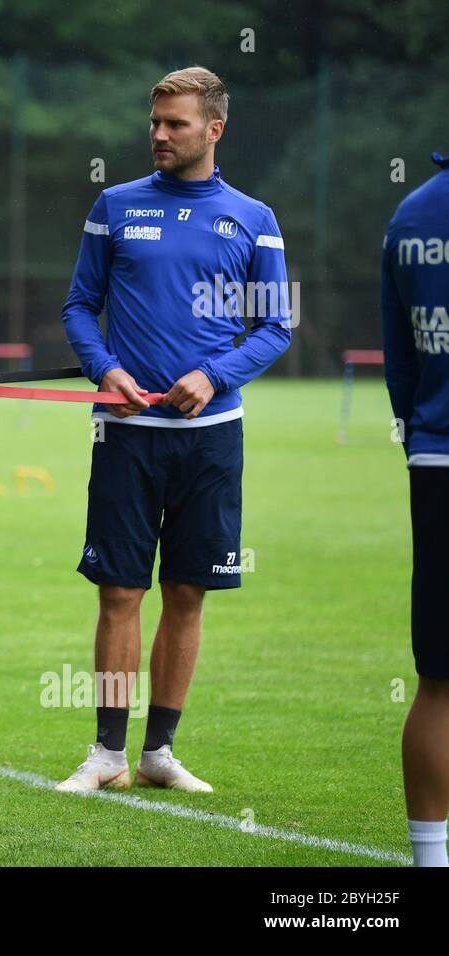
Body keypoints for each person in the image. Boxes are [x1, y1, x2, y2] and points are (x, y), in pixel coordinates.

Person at [57, 66, 291, 792]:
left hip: (211, 437)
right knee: (120, 592)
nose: (158, 134)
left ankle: (158, 753)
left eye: (175, 124)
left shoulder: (255, 218)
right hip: (126, 433)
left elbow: (275, 327)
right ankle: (106, 754)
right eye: (154, 122)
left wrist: (216, 375)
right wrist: (106, 369)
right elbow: (78, 307)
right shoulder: (116, 206)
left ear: (213, 130)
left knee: (187, 592)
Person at [381, 150, 449, 867]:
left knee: (438, 678)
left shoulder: (413, 213)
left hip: (434, 456)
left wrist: (419, 428)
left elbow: (400, 360)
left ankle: (432, 861)